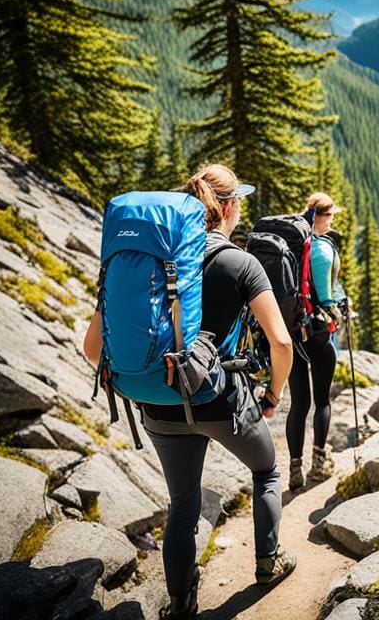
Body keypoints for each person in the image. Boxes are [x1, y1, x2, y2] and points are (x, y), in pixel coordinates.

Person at [82, 164, 296, 620]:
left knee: (182, 505)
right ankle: (268, 563)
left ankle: (181, 604)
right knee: (266, 472)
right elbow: (281, 342)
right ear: (230, 207)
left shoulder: (151, 265)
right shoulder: (240, 262)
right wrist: (273, 395)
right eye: (240, 200)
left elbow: (91, 348)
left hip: (159, 404)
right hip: (220, 400)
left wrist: (141, 378)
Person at [286, 192, 348, 490]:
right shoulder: (322, 249)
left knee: (299, 403)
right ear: (319, 216)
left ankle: (294, 469)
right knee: (321, 401)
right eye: (330, 216)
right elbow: (325, 296)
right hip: (318, 333)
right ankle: (319, 462)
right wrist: (339, 309)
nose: (332, 221)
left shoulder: (291, 245)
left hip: (292, 333)